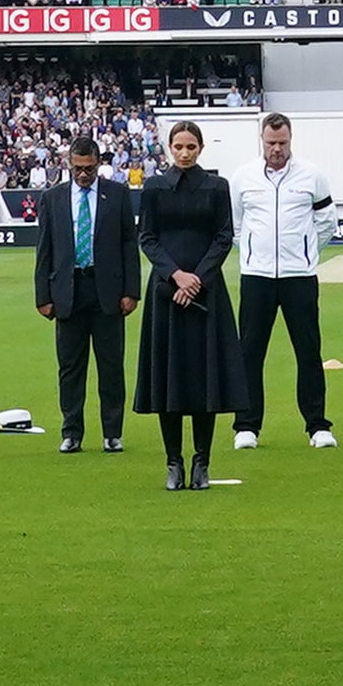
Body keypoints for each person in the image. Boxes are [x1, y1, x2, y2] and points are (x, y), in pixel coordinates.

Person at [135, 120, 247, 489]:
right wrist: (175, 276)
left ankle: (202, 462)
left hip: (206, 292)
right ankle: (173, 463)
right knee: (167, 378)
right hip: (166, 293)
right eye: (178, 147)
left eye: (191, 147)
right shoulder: (154, 187)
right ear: (170, 148)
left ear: (200, 148)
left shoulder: (216, 187)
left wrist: (197, 277)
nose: (184, 153)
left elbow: (223, 236)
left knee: (204, 378)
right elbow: (147, 238)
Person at [236, 110, 335, 450]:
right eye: (270, 142)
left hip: (299, 276)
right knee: (250, 352)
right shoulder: (244, 177)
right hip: (257, 276)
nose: (276, 149)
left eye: (282, 142)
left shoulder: (311, 175)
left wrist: (306, 253)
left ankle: (317, 425)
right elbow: (236, 224)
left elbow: (326, 222)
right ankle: (246, 426)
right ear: (261, 141)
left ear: (291, 140)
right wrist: (252, 251)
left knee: (308, 351)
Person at [30, 143, 137, 455]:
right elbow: (45, 249)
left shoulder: (117, 195)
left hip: (107, 291)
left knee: (111, 366)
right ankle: (71, 432)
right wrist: (43, 296)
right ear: (68, 164)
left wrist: (131, 291)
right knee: (70, 368)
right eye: (77, 168)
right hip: (68, 290)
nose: (83, 174)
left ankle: (112, 433)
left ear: (98, 163)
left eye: (89, 168)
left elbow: (129, 245)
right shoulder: (53, 198)